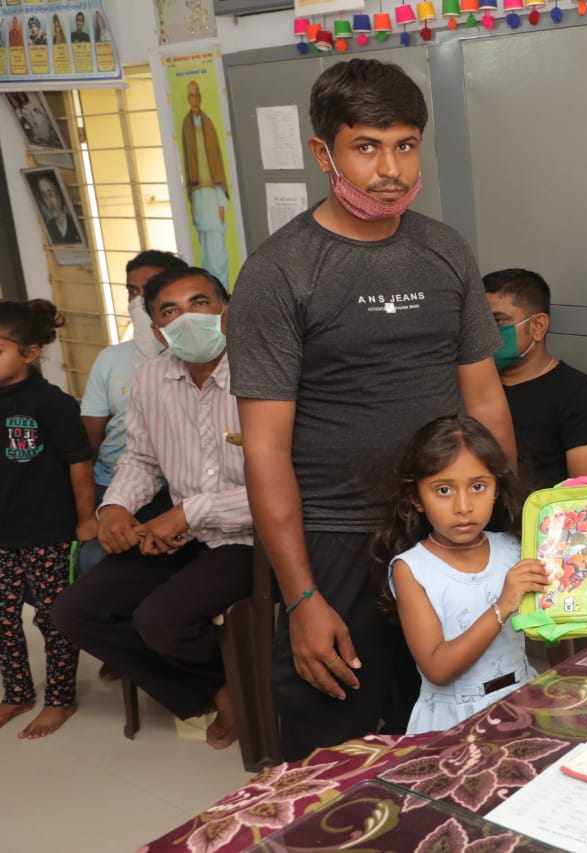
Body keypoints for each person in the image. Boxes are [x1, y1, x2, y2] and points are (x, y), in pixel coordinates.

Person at [228, 57, 515, 760]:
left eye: (406, 144)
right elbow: (265, 449)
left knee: (470, 725)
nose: (390, 168)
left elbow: (484, 398)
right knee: (346, 746)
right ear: (323, 151)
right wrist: (302, 597)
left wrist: (514, 526)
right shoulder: (280, 273)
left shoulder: (444, 251)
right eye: (367, 146)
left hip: (445, 528)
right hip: (337, 540)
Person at [54, 267, 253, 750]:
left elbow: (288, 484)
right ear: (158, 329)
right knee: (75, 611)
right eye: (171, 310)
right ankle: (214, 688)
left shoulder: (260, 372)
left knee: (161, 620)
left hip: (250, 534)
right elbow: (140, 458)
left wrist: (188, 514)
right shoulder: (151, 378)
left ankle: (241, 690)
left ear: (226, 312)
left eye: (200, 303)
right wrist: (116, 507)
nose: (188, 318)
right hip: (180, 528)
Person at [372, 416, 545, 734]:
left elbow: (555, 619)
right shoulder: (412, 569)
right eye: (444, 490)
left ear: (495, 487)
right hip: (453, 723)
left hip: (522, 700)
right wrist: (503, 605)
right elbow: (438, 668)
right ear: (416, 498)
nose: (463, 506)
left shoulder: (514, 548)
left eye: (478, 487)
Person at [0, 299, 96, 739]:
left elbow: (79, 463)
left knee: (53, 619)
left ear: (29, 353)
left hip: (48, 531)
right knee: (3, 620)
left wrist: (84, 520)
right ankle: (16, 692)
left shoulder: (52, 403)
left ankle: (61, 698)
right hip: (2, 535)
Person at [77, 250, 187, 579]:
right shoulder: (111, 360)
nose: (138, 301)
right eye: (131, 292)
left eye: (149, 289)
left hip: (176, 489)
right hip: (114, 483)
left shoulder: (200, 358)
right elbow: (89, 445)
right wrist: (98, 509)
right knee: (95, 556)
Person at [484, 268, 587, 490]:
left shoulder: (583, 397)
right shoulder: (472, 389)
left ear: (538, 327)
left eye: (497, 321)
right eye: (478, 323)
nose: (484, 333)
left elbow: (584, 499)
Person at [179, 81, 229, 290]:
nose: (195, 100)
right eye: (191, 96)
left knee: (218, 250)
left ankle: (224, 290)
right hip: (198, 196)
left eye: (197, 95)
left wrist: (220, 203)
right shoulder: (185, 126)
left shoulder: (208, 124)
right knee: (206, 253)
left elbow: (216, 160)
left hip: (213, 194)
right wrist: (191, 200)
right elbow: (188, 164)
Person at [34, 175, 80, 245]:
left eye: (51, 194)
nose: (49, 201)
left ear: (60, 195)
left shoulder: (74, 222)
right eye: (44, 196)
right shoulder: (49, 226)